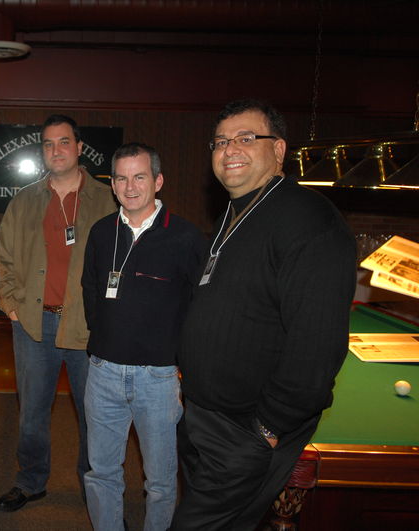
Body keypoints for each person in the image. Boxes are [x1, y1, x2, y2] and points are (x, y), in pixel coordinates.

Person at [171, 99, 357, 530]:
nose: (229, 149)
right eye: (220, 141)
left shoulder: (309, 220)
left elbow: (317, 346)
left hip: (245, 431)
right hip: (204, 417)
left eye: (245, 138)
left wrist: (268, 428)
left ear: (279, 150)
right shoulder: (235, 212)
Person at [0, 114, 117, 511]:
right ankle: (30, 481)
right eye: (48, 144)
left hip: (88, 326)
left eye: (64, 142)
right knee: (31, 414)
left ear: (79, 148)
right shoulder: (24, 200)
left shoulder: (108, 199)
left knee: (94, 415)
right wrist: (11, 305)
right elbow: (5, 259)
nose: (56, 150)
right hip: (34, 324)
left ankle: (94, 485)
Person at [81, 143, 206, 531]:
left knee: (161, 482)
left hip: (159, 379)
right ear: (112, 184)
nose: (130, 187)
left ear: (158, 181)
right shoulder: (101, 232)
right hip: (102, 373)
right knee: (101, 474)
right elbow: (90, 290)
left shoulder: (186, 237)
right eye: (121, 178)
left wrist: (183, 363)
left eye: (139, 177)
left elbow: (201, 307)